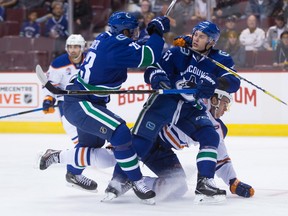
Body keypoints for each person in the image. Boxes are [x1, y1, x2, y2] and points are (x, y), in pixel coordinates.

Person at [41, 11, 170, 204]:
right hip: (82, 103)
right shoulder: (118, 44)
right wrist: (158, 33)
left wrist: (150, 34)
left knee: (92, 145)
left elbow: (135, 48)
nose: (135, 34)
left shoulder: (107, 38)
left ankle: (71, 171)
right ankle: (137, 181)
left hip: (86, 99)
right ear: (123, 30)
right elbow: (148, 56)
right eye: (132, 31)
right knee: (121, 133)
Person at [38, 89, 254, 202]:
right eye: (225, 103)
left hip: (162, 151)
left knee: (177, 187)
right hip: (146, 138)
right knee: (110, 158)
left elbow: (220, 156)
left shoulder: (215, 127)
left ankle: (136, 182)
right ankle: (57, 156)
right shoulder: (190, 103)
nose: (226, 109)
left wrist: (233, 182)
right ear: (215, 99)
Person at [129, 20, 241, 204]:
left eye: (202, 37)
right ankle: (69, 158)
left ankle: (204, 181)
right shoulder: (181, 50)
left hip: (182, 121)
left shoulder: (221, 59)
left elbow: (233, 81)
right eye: (195, 34)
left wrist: (215, 82)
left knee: (208, 141)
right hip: (164, 121)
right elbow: (154, 68)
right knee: (122, 150)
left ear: (212, 42)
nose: (196, 39)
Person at [42, 34, 100, 191]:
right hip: (67, 107)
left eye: (76, 47)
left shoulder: (90, 60)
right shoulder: (59, 63)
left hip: (89, 104)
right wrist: (48, 99)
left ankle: (73, 173)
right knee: (82, 143)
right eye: (70, 47)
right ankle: (74, 174)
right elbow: (51, 85)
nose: (72, 50)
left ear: (82, 48)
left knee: (93, 142)